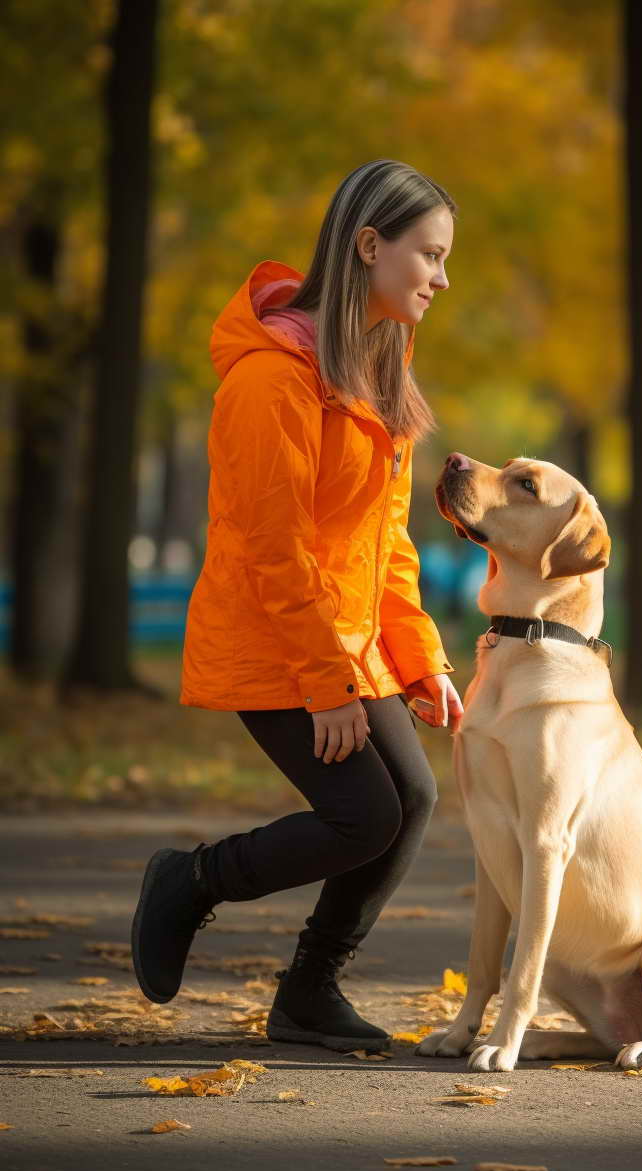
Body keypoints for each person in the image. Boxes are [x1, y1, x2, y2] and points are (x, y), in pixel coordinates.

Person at [131, 159, 464, 1053]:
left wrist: (417, 657)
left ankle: (309, 995)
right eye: (428, 256)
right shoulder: (270, 381)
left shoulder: (378, 367)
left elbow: (384, 543)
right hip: (273, 640)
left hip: (346, 645)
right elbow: (271, 550)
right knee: (365, 815)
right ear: (368, 246)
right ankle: (191, 881)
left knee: (414, 799)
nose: (440, 277)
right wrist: (325, 684)